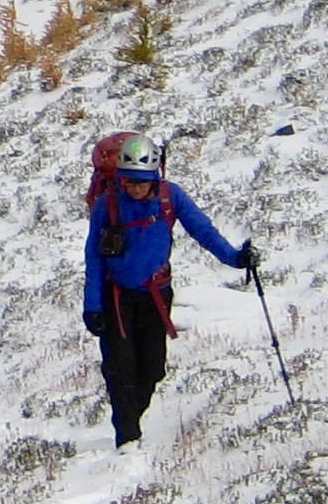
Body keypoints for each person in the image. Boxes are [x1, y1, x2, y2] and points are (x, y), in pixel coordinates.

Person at [83, 133, 258, 447]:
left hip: (155, 296)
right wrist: (92, 305)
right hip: (115, 297)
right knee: (119, 369)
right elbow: (94, 258)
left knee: (152, 368)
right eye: (128, 182)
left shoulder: (170, 197)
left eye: (140, 182)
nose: (134, 188)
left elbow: (203, 231)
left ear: (154, 177)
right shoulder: (107, 205)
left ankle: (133, 422)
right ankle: (128, 440)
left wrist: (236, 259)